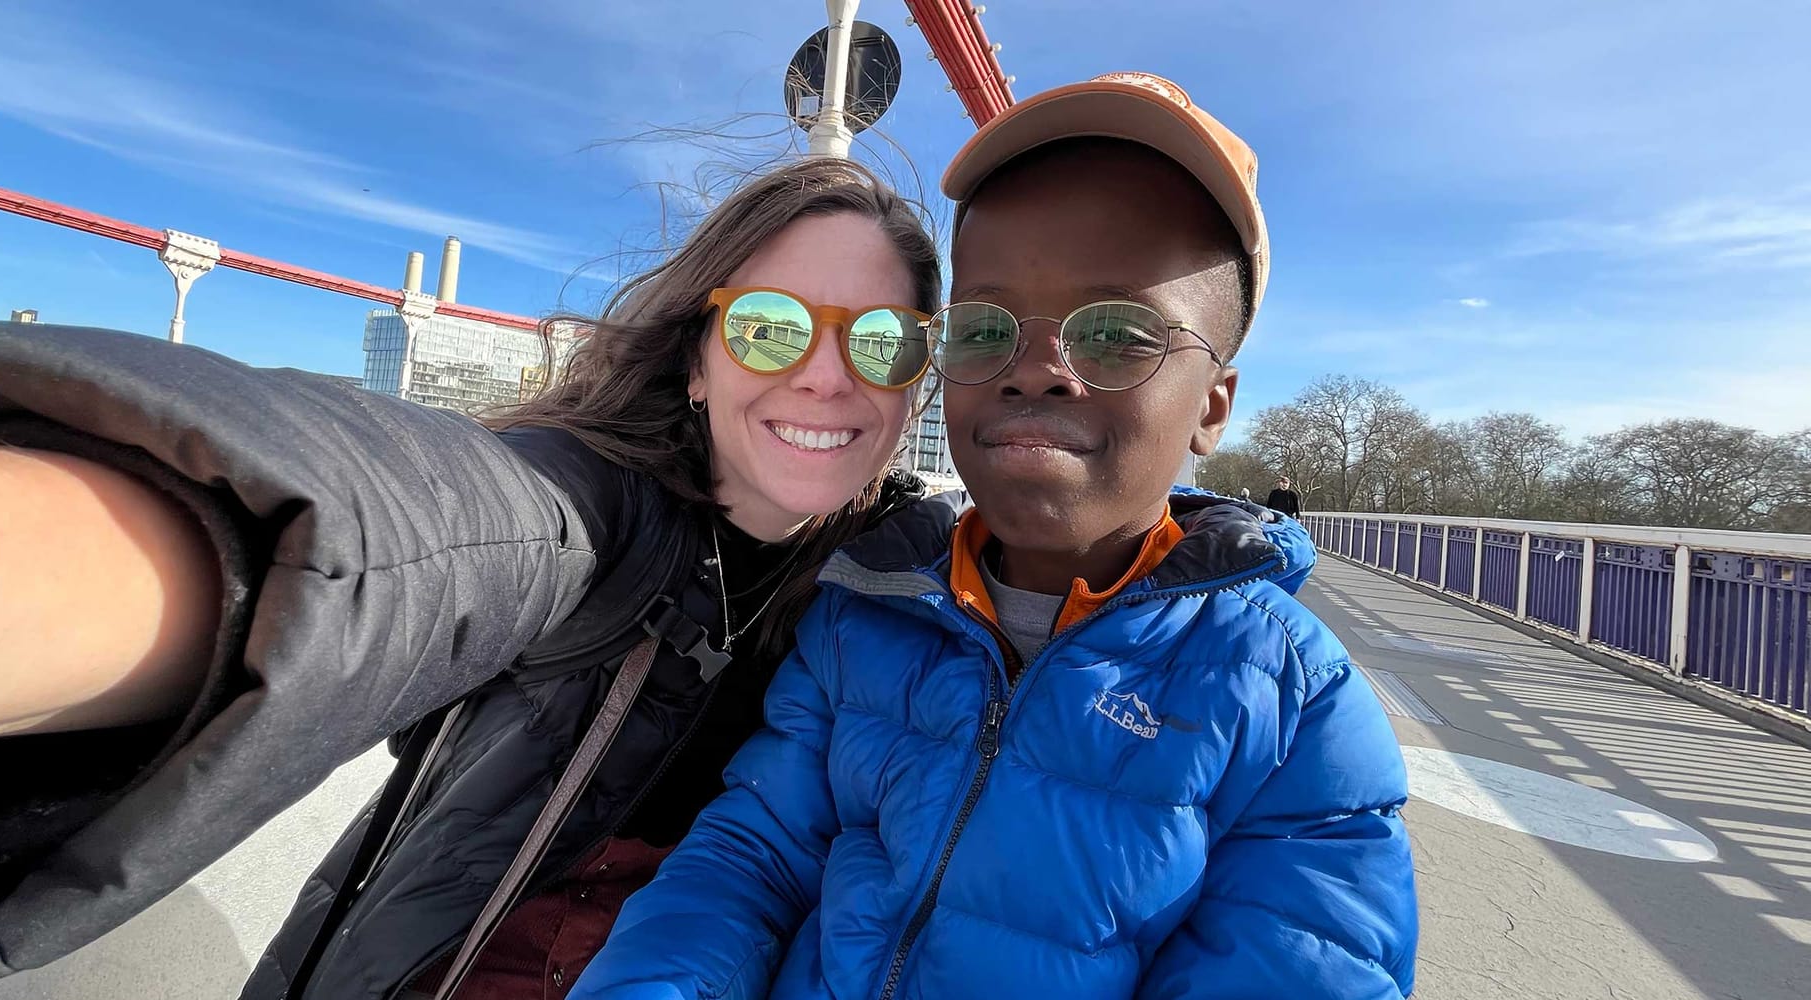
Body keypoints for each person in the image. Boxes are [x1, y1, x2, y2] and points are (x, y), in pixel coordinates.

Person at [0, 157, 942, 1000]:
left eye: (880, 342)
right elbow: (429, 526)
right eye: (765, 328)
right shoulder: (592, 507)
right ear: (695, 362)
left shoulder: (917, 579)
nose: (826, 377)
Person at [572, 72, 1418, 1000]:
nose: (1039, 370)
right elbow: (749, 860)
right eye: (985, 328)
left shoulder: (1293, 705)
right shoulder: (866, 610)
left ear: (1212, 406)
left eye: (1118, 336)